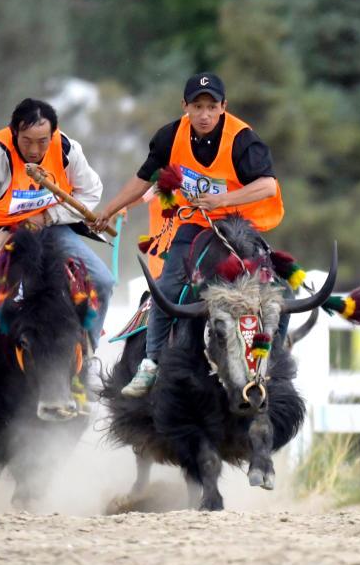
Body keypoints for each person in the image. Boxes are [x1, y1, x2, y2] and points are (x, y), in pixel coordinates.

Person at [93, 72, 283, 397]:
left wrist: (223, 200)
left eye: (212, 107)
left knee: (279, 291)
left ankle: (273, 365)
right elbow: (144, 178)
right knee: (165, 288)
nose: (204, 114)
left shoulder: (243, 140)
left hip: (240, 225)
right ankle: (151, 363)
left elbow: (268, 185)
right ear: (185, 106)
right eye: (197, 106)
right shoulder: (170, 136)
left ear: (223, 106)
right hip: (195, 224)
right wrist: (110, 209)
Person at [0, 98, 114, 406]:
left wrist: (48, 217)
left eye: (42, 141)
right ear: (14, 132)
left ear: (53, 134)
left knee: (104, 281)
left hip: (50, 229)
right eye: (27, 141)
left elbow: (91, 191)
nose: (34, 149)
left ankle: (89, 357)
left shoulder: (67, 149)